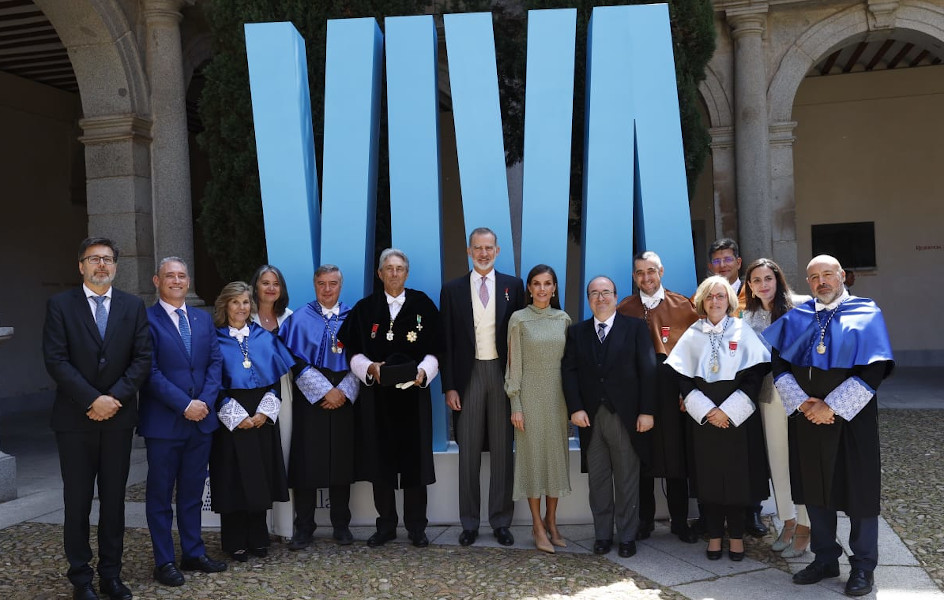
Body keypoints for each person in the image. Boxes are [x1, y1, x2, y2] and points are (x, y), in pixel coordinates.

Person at [764, 255, 894, 597]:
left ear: (842, 277)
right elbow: (779, 364)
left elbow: (874, 371)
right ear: (808, 283)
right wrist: (805, 403)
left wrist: (831, 406)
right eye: (814, 277)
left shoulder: (866, 313)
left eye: (827, 275)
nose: (821, 281)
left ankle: (863, 567)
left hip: (852, 421)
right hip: (808, 418)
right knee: (815, 489)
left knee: (859, 493)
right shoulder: (800, 316)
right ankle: (824, 558)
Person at [42, 237, 151, 600]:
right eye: (94, 259)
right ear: (81, 266)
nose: (101, 265)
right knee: (77, 502)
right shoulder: (60, 305)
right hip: (75, 419)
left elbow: (141, 360)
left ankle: (111, 575)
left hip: (118, 419)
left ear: (116, 267)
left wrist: (113, 399)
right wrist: (93, 399)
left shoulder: (133, 306)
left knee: (114, 501)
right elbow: (56, 360)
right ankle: (81, 578)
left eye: (107, 259)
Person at [336, 249, 442, 548]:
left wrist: (423, 372)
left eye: (399, 269)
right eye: (388, 269)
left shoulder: (423, 305)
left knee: (415, 463)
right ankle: (385, 525)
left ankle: (417, 527)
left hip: (413, 398)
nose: (394, 274)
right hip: (376, 399)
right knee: (379, 462)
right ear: (380, 274)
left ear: (406, 274)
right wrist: (368, 368)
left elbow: (437, 348)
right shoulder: (365, 308)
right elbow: (351, 350)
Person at [666, 276, 770, 562]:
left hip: (737, 420)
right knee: (708, 479)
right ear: (702, 301)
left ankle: (735, 537)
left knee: (737, 480)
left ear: (729, 301)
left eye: (721, 296)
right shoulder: (692, 334)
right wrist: (707, 411)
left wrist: (729, 411)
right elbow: (683, 379)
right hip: (705, 422)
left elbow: (754, 377)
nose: (715, 301)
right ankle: (714, 535)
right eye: (710, 297)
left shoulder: (743, 330)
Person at [139, 257, 227, 587]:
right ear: (156, 281)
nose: (176, 280)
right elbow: (149, 372)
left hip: (201, 421)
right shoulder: (145, 321)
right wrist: (184, 404)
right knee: (160, 496)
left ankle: (193, 551)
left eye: (181, 276)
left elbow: (215, 363)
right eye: (169, 276)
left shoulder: (203, 321)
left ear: (188, 282)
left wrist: (203, 402)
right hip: (164, 423)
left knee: (191, 493)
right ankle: (163, 561)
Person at [440, 227, 524, 547]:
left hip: (502, 374)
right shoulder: (452, 289)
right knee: (469, 451)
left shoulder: (513, 287)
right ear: (469, 251)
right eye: (478, 248)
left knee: (503, 450)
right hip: (469, 374)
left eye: (489, 248)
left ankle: (501, 521)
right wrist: (450, 386)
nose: (484, 253)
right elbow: (446, 341)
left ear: (498, 251)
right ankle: (470, 522)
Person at [562, 276, 655, 558]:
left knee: (627, 479)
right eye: (594, 293)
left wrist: (647, 411)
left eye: (606, 293)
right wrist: (575, 408)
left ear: (616, 297)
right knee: (598, 481)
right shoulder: (577, 332)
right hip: (590, 419)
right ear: (588, 298)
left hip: (626, 417)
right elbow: (569, 372)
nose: (600, 298)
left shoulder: (636, 327)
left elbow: (648, 370)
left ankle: (627, 536)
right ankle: (602, 535)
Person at [616, 251, 699, 544]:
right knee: (642, 456)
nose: (646, 278)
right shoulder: (624, 308)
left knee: (677, 456)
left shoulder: (684, 306)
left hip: (673, 390)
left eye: (651, 271)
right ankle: (644, 520)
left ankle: (680, 521)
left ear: (661, 271)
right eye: (640, 273)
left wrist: (689, 393)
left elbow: (695, 354)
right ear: (634, 277)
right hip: (638, 394)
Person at [278, 265, 361, 549]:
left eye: (333, 283)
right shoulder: (299, 318)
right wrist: (324, 390)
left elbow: (361, 357)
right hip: (311, 398)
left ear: (341, 285)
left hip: (344, 396)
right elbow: (292, 359)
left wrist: (343, 390)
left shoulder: (354, 317)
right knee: (307, 462)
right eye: (322, 284)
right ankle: (304, 526)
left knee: (341, 460)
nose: (328, 289)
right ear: (315, 285)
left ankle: (341, 524)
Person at [210, 282, 293, 561]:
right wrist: (234, 415)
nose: (241, 308)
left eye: (246, 302)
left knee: (259, 478)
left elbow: (275, 382)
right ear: (225, 306)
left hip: (260, 419)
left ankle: (258, 538)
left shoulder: (264, 338)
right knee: (232, 479)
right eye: (235, 302)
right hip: (230, 420)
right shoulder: (214, 339)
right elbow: (212, 385)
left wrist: (263, 414)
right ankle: (235, 542)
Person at [742, 258, 811, 558]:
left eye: (767, 278)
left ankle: (807, 526)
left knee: (803, 461)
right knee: (778, 460)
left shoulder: (802, 306)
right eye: (756, 280)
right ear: (750, 287)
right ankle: (788, 520)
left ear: (778, 278)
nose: (763, 285)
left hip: (802, 394)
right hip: (769, 395)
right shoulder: (748, 318)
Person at [504, 264, 572, 553]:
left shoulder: (564, 319)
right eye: (536, 283)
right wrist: (515, 403)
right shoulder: (518, 319)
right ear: (529, 289)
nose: (542, 289)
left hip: (558, 399)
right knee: (532, 461)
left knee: (555, 460)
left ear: (554, 288)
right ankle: (536, 524)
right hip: (529, 398)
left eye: (548, 283)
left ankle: (552, 520)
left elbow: (571, 366)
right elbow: (513, 365)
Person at [704, 237, 764, 537]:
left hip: (748, 385)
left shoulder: (753, 293)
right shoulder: (703, 296)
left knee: (750, 452)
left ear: (738, 262)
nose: (722, 265)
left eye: (727, 259)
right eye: (716, 260)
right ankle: (714, 517)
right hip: (715, 390)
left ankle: (752, 512)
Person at [248, 265, 294, 540]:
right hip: (253, 391)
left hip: (284, 391)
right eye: (265, 282)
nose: (270, 288)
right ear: (255, 287)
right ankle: (257, 526)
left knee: (283, 451)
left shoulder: (289, 318)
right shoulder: (245, 317)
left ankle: (285, 526)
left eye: (275, 283)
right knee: (258, 455)